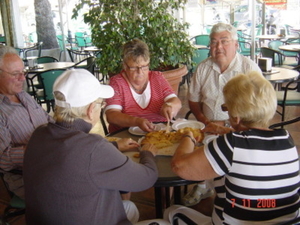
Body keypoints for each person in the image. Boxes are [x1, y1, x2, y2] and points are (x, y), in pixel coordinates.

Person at [23, 69, 160, 225]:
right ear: (90, 110)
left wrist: (113, 145)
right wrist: (147, 153)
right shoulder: (94, 148)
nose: (101, 107)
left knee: (129, 207)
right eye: (101, 104)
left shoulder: (38, 134)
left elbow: (72, 157)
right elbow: (146, 178)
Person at [170, 71, 300, 224]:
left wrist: (188, 136)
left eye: (226, 108)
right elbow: (255, 143)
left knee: (172, 212)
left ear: (236, 116)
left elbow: (179, 166)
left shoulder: (232, 144)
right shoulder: (287, 140)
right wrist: (227, 130)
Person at [184, 22, 263, 207]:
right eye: (214, 42)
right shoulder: (203, 68)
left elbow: (258, 110)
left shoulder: (249, 69)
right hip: (207, 125)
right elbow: (193, 100)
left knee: (218, 149)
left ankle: (228, 189)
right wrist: (204, 121)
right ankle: (204, 185)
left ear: (236, 45)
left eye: (224, 41)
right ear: (209, 46)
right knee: (189, 142)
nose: (218, 46)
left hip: (240, 129)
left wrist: (229, 126)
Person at [0, 45, 53, 199]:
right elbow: (2, 159)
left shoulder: (24, 96)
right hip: (30, 177)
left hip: (53, 161)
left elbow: (48, 120)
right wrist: (39, 149)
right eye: (15, 74)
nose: (23, 78)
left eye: (23, 72)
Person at [105, 38, 182, 133]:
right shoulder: (117, 82)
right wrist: (136, 121)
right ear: (125, 66)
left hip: (159, 132)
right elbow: (112, 116)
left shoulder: (157, 77)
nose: (140, 72)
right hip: (127, 136)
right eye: (134, 68)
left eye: (144, 66)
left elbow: (176, 101)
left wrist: (170, 105)